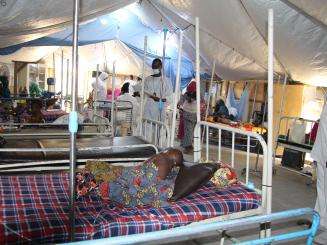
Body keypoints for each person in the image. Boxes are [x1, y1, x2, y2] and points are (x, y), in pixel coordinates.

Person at [311, 100, 327, 244]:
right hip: (322, 155)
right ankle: (320, 222)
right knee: (322, 192)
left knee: (323, 192)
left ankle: (321, 223)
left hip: (323, 155)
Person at [143, 58, 173, 123]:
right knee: (147, 128)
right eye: (153, 67)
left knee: (158, 127)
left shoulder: (166, 81)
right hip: (148, 108)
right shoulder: (147, 79)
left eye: (156, 67)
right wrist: (151, 96)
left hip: (160, 107)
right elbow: (144, 93)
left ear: (160, 67)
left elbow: (170, 98)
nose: (154, 69)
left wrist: (160, 100)